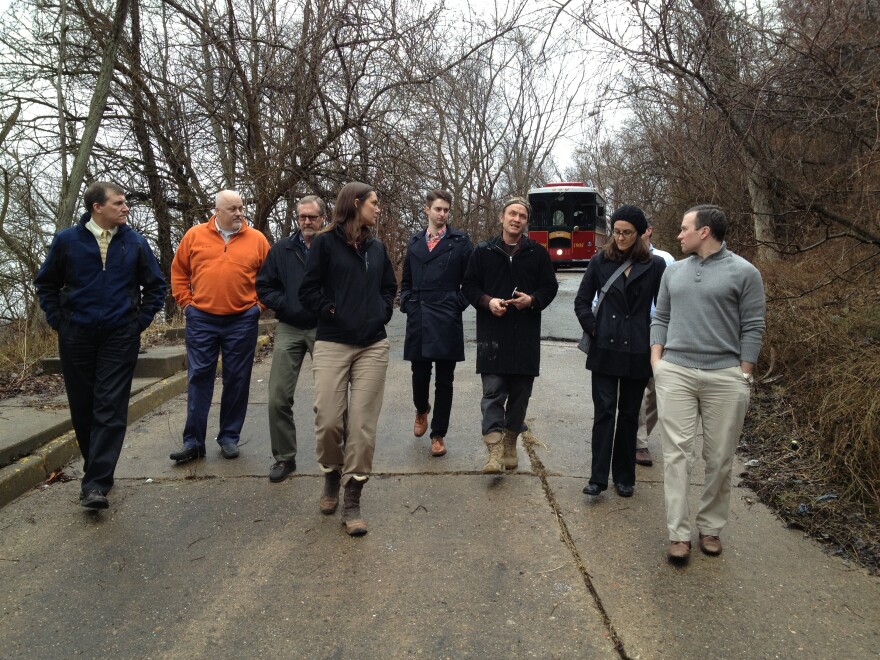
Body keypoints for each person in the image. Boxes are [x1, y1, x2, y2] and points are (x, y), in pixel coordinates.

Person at [34, 182, 166, 509]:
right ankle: (95, 470)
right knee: (83, 407)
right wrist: (60, 322)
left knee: (110, 405)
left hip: (119, 336)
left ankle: (96, 484)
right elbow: (46, 284)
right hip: (76, 334)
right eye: (119, 203)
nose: (125, 208)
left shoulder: (134, 242)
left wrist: (138, 322)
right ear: (97, 207)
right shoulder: (68, 241)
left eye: (125, 203)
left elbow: (156, 286)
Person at [651, 204, 766, 562]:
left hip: (725, 377)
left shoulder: (745, 272)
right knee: (676, 456)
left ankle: (711, 527)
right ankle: (678, 534)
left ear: (704, 232)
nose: (679, 234)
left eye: (685, 228)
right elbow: (662, 317)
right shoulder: (673, 272)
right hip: (677, 373)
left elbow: (753, 326)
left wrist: (744, 373)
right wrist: (658, 362)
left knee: (719, 458)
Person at [299, 182, 397, 536]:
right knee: (328, 420)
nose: (377, 208)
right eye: (373, 202)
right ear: (356, 204)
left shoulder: (377, 247)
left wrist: (382, 311)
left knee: (362, 425)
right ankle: (331, 475)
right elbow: (308, 289)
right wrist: (331, 310)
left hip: (373, 345)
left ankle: (352, 495)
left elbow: (389, 287)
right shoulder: (325, 244)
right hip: (333, 341)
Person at [170, 190, 270, 463]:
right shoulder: (194, 236)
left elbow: (271, 278)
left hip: (242, 320)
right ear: (217, 212)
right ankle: (193, 443)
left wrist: (257, 308)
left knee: (237, 379)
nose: (239, 213)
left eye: (241, 207)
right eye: (233, 209)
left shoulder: (257, 240)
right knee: (198, 378)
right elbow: (179, 272)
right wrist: (186, 305)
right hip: (201, 318)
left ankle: (229, 437)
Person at [575, 205, 666, 499]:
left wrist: (654, 341)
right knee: (604, 414)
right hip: (604, 349)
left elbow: (663, 310)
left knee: (629, 415)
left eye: (627, 232)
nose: (621, 237)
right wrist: (594, 328)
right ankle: (598, 478)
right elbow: (581, 300)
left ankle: (625, 478)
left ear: (640, 233)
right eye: (617, 231)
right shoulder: (600, 260)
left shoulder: (655, 266)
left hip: (637, 351)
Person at [461, 197, 558, 474]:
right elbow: (468, 285)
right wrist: (487, 301)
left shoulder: (537, 254)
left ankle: (510, 442)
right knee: (492, 393)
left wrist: (533, 300)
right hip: (493, 335)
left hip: (525, 336)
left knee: (520, 396)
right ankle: (493, 452)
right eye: (512, 214)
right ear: (502, 218)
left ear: (526, 222)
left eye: (522, 216)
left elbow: (549, 287)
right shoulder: (483, 251)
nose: (516, 219)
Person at [256, 195, 326, 482]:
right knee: (277, 397)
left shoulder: (333, 246)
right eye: (302, 217)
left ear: (324, 217)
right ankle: (284, 458)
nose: (307, 222)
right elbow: (264, 286)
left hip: (326, 328)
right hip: (291, 327)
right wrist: (286, 305)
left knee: (330, 401)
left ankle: (336, 458)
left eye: (312, 217)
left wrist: (332, 309)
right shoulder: (282, 249)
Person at [400, 189, 473, 458]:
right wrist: (406, 301)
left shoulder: (461, 242)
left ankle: (438, 434)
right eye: (438, 209)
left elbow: (472, 280)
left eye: (446, 210)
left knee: (445, 380)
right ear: (427, 210)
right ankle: (421, 409)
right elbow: (406, 279)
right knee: (420, 374)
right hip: (419, 314)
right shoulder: (415, 241)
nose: (442, 214)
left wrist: (457, 303)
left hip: (446, 316)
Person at [635, 217, 676, 467]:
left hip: (662, 334)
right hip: (636, 335)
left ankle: (637, 434)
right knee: (636, 391)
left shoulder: (666, 260)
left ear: (649, 231)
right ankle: (639, 443)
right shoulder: (620, 259)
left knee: (660, 392)